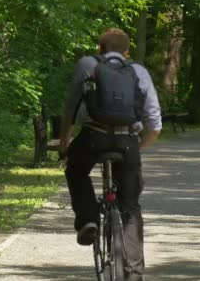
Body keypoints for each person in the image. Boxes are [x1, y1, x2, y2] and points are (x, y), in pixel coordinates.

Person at [59, 28, 161, 280]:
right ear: (127, 51)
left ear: (100, 48)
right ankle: (134, 273)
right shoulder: (139, 71)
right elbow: (155, 122)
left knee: (76, 170)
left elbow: (71, 107)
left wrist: (65, 144)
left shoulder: (88, 64)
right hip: (128, 141)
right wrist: (141, 145)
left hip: (93, 137)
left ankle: (89, 219)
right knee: (130, 205)